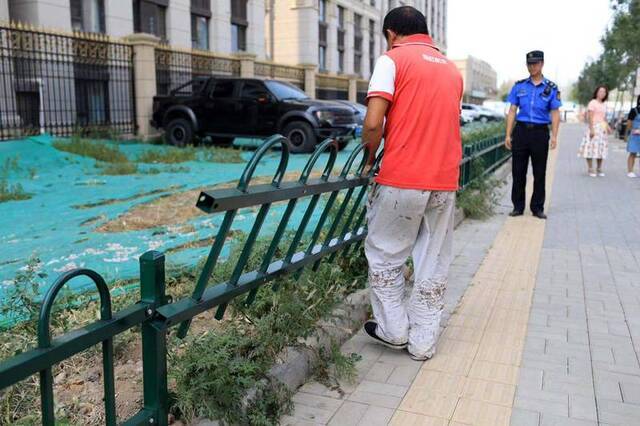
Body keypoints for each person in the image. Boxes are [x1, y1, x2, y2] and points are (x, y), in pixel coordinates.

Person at [360, 6, 463, 361]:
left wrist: (370, 158)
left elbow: (374, 123)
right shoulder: (451, 69)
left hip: (403, 177)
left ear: (390, 33)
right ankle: (423, 344)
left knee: (385, 254)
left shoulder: (392, 59)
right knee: (433, 261)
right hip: (445, 180)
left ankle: (394, 330)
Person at [505, 51, 561, 219]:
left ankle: (537, 207)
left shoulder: (551, 88)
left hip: (540, 133)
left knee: (539, 172)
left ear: (542, 64)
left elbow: (555, 113)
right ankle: (518, 206)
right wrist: (508, 134)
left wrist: (555, 136)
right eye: (529, 64)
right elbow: (512, 111)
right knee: (518, 171)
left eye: (535, 63)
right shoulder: (519, 86)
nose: (532, 67)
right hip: (521, 132)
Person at [578, 86, 611, 177]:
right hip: (594, 127)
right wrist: (592, 129)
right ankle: (590, 168)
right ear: (596, 92)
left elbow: (603, 118)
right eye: (600, 91)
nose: (602, 93)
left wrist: (607, 126)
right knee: (590, 148)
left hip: (602, 128)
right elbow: (590, 117)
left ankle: (599, 168)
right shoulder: (592, 103)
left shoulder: (604, 104)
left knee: (601, 149)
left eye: (604, 92)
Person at [625, 95, 640, 178]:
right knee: (633, 153)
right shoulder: (634, 110)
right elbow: (629, 123)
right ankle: (630, 171)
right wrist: (631, 131)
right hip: (635, 135)